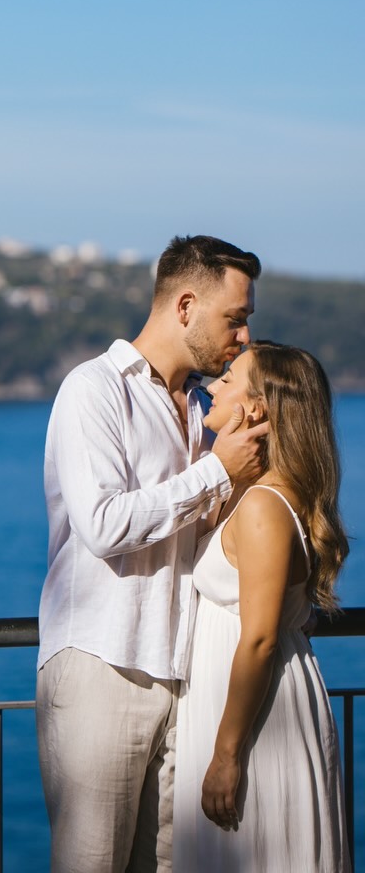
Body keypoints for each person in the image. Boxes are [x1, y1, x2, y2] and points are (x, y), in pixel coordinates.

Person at [36, 234, 267, 873]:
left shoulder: (201, 408)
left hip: (183, 680)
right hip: (101, 667)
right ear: (186, 305)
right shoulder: (93, 389)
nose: (243, 337)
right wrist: (217, 473)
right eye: (236, 318)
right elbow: (105, 525)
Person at [172, 341, 351, 872]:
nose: (210, 385)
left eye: (227, 379)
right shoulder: (252, 494)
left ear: (257, 409)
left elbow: (260, 638)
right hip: (240, 707)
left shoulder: (265, 509)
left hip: (254, 722)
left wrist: (227, 755)